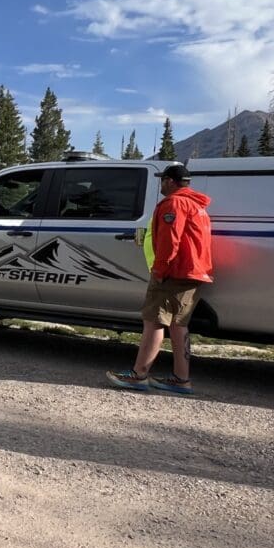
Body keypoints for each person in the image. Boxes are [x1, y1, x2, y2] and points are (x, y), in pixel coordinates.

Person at [107, 164, 213, 394]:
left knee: (154, 321)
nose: (160, 184)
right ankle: (181, 379)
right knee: (178, 324)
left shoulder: (174, 203)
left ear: (170, 181)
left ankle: (138, 374)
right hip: (193, 272)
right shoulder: (197, 205)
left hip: (174, 273)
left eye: (162, 180)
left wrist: (159, 269)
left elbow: (169, 241)